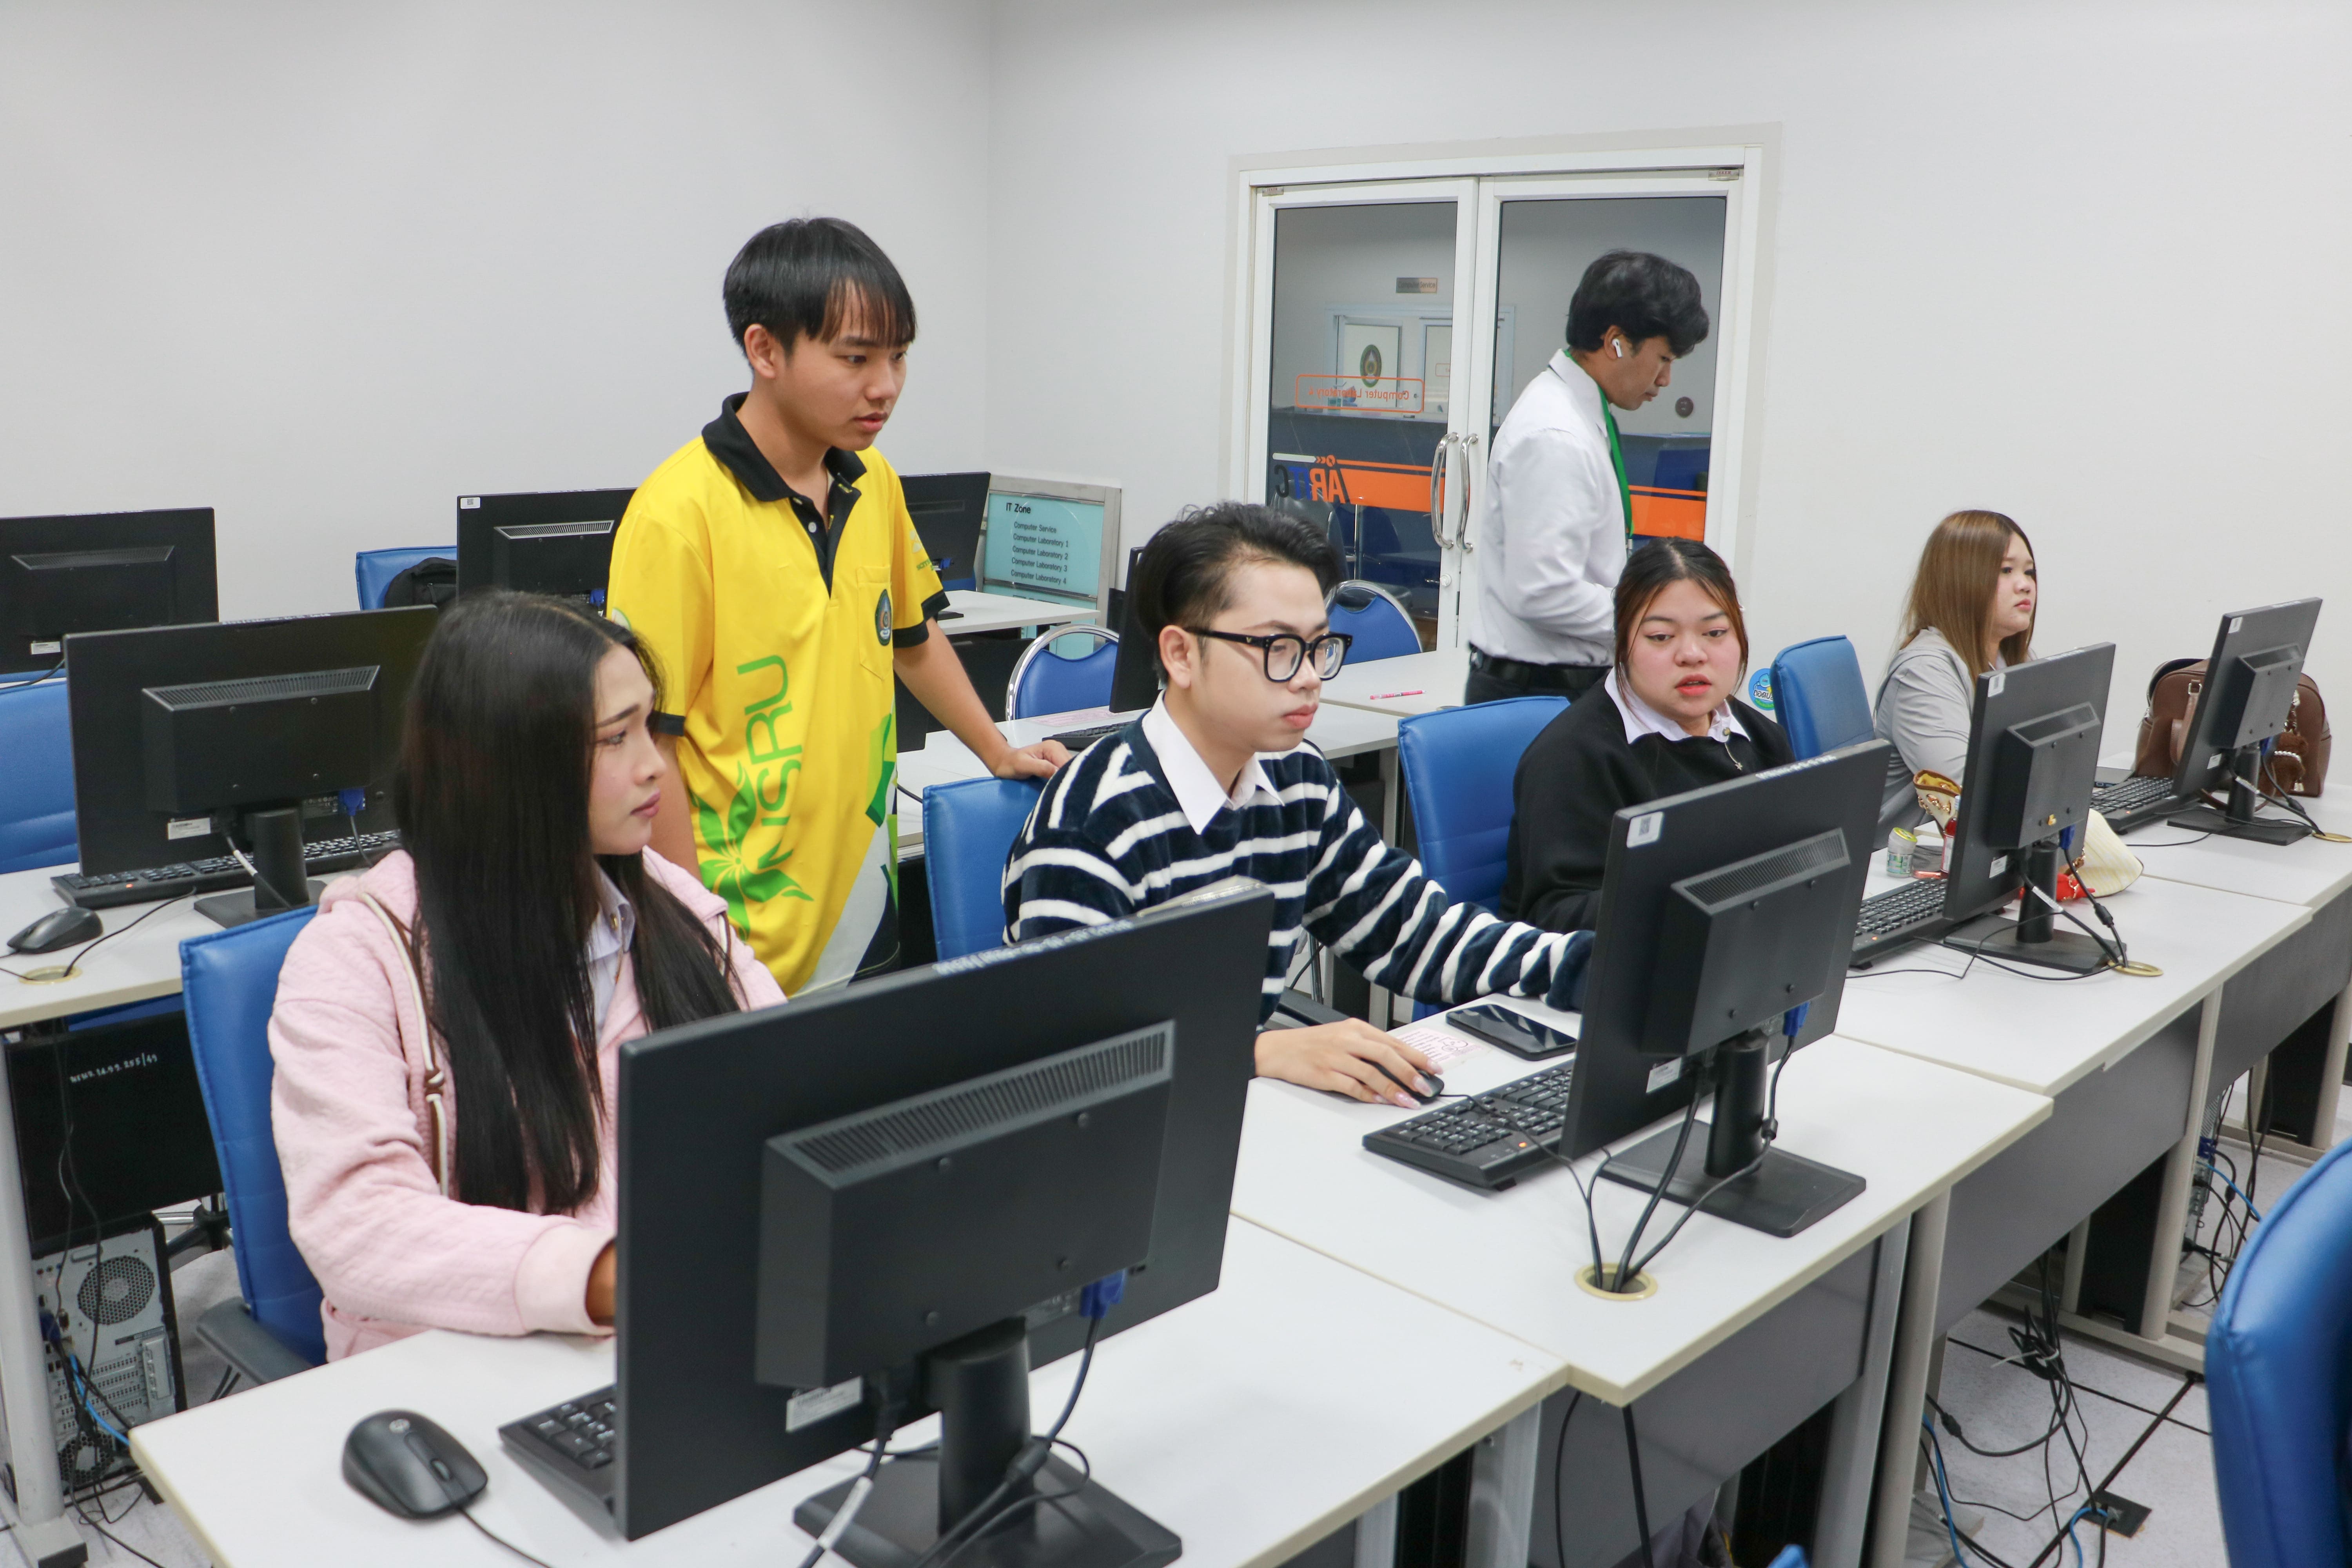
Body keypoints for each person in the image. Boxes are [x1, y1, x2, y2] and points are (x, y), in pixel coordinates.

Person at [270, 594, 783, 1358]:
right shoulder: (358, 958)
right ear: (513, 765)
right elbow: (357, 1222)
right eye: (616, 738)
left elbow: (791, 1083)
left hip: (676, 1329)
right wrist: (607, 1275)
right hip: (459, 1367)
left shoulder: (666, 903)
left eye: (649, 725)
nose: (655, 765)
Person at [1003, 502, 1593, 1108]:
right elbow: (1070, 1065)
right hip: (1130, 1137)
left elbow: (1414, 934)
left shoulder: (1296, 779)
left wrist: (1592, 967)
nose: (1310, 676)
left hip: (1242, 1112)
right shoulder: (1090, 824)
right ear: (1181, 655)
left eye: (1318, 647)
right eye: (1279, 647)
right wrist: (1260, 1052)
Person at [607, 218, 1064, 996]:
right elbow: (655, 743)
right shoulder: (677, 515)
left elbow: (913, 638)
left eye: (899, 356)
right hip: (736, 925)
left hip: (860, 903)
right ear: (765, 351)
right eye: (856, 358)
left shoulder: (871, 481)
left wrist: (996, 751)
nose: (885, 385)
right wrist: (691, 931)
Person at [1501, 538, 1792, 934]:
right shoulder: (1572, 757)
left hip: (1747, 946)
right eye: (1661, 637)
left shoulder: (1760, 736)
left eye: (1715, 632)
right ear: (1623, 642)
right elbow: (1555, 915)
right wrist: (1695, 903)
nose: (1692, 654)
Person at [1465, 250, 1710, 706]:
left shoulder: (1580, 415)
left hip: (1561, 684)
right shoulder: (1556, 434)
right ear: (1616, 342)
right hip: (1538, 692)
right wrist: (1656, 619)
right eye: (1663, 358)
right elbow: (1542, 592)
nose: (1666, 379)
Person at [1874, 510, 2038, 785]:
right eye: (2006, 570)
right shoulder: (1923, 673)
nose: (2026, 586)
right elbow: (1967, 789)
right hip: (1940, 816)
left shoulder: (2011, 659)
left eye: (2029, 572)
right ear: (1960, 581)